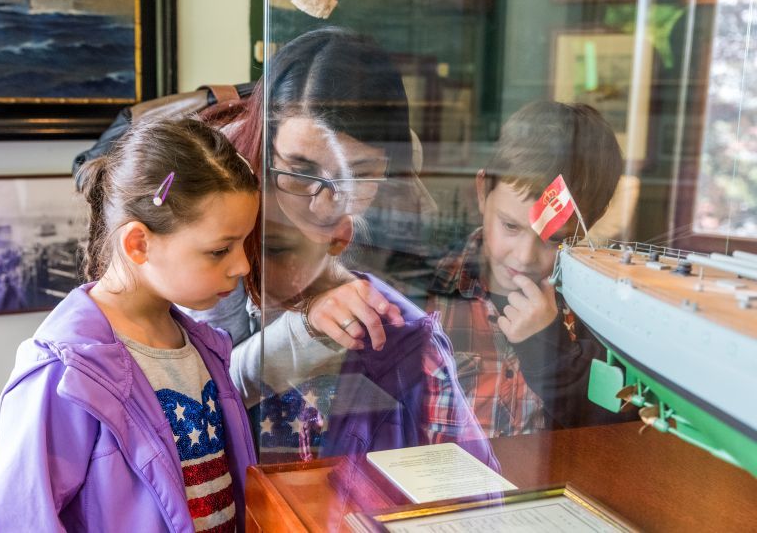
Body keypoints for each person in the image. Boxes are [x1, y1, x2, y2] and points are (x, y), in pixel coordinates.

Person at [199, 27, 497, 470]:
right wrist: (304, 326)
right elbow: (197, 391)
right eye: (300, 170)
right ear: (265, 148)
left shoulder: (397, 211)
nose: (327, 204)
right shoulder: (215, 205)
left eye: (359, 175)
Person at [0, 118, 260, 532]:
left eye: (244, 244)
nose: (242, 265)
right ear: (138, 243)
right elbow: (10, 521)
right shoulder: (64, 374)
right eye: (219, 250)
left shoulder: (203, 347)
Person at [428, 101, 636, 437]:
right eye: (510, 226)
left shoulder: (596, 315)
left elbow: (618, 430)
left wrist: (549, 347)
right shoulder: (425, 291)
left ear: (587, 227)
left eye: (554, 239)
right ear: (483, 192)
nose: (525, 257)